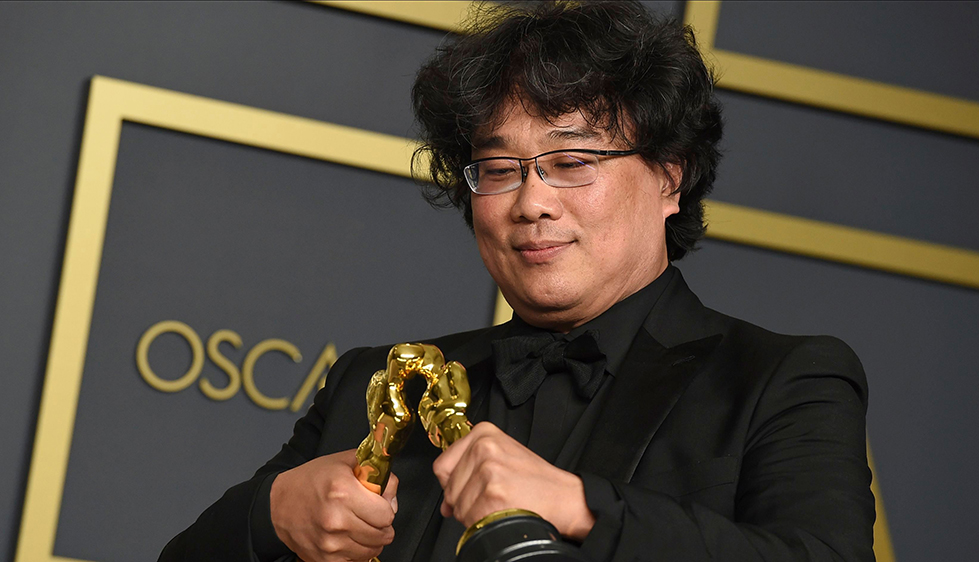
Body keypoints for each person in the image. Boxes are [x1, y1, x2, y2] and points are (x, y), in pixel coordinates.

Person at [159, 2, 875, 561]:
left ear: (669, 177)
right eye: (500, 170)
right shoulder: (377, 383)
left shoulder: (784, 380)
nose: (532, 202)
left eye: (571, 161)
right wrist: (273, 512)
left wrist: (581, 506)